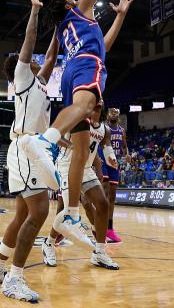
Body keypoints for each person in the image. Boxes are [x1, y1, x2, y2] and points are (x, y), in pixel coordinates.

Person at [24, 0, 135, 241]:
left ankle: (71, 213)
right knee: (86, 108)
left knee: (81, 151)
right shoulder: (79, 9)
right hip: (86, 65)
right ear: (69, 4)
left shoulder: (64, 27)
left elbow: (105, 46)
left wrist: (120, 16)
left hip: (73, 68)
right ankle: (46, 141)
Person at [0, 0, 62, 303]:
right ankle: (14, 279)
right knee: (40, 212)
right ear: (17, 66)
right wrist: (34, 10)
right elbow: (30, 40)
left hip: (31, 148)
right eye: (25, 57)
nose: (32, 58)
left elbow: (53, 57)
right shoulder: (21, 77)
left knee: (21, 217)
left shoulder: (40, 81)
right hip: (26, 148)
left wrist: (60, 24)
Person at [43, 103, 119, 269]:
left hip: (85, 168)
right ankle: (48, 243)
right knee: (67, 211)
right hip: (66, 165)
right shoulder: (77, 119)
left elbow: (106, 148)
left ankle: (99, 253)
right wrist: (69, 145)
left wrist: (111, 158)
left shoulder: (104, 129)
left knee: (102, 204)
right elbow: (53, 135)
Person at [102, 107, 131, 243]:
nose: (113, 114)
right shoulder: (103, 127)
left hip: (115, 163)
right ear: (107, 115)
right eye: (111, 112)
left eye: (116, 112)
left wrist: (127, 154)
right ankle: (99, 226)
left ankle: (109, 229)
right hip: (103, 161)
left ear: (119, 116)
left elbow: (124, 146)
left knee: (112, 196)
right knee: (104, 193)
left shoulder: (121, 131)